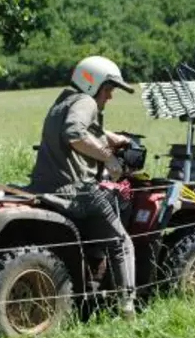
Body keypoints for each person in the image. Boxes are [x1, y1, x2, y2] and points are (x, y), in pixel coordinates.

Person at [28, 55, 138, 319]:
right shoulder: (86, 101)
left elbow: (82, 127)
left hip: (44, 188)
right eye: (109, 89)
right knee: (122, 243)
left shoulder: (63, 101)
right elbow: (75, 132)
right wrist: (109, 158)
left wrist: (113, 138)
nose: (110, 97)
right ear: (94, 84)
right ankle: (128, 309)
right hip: (75, 191)